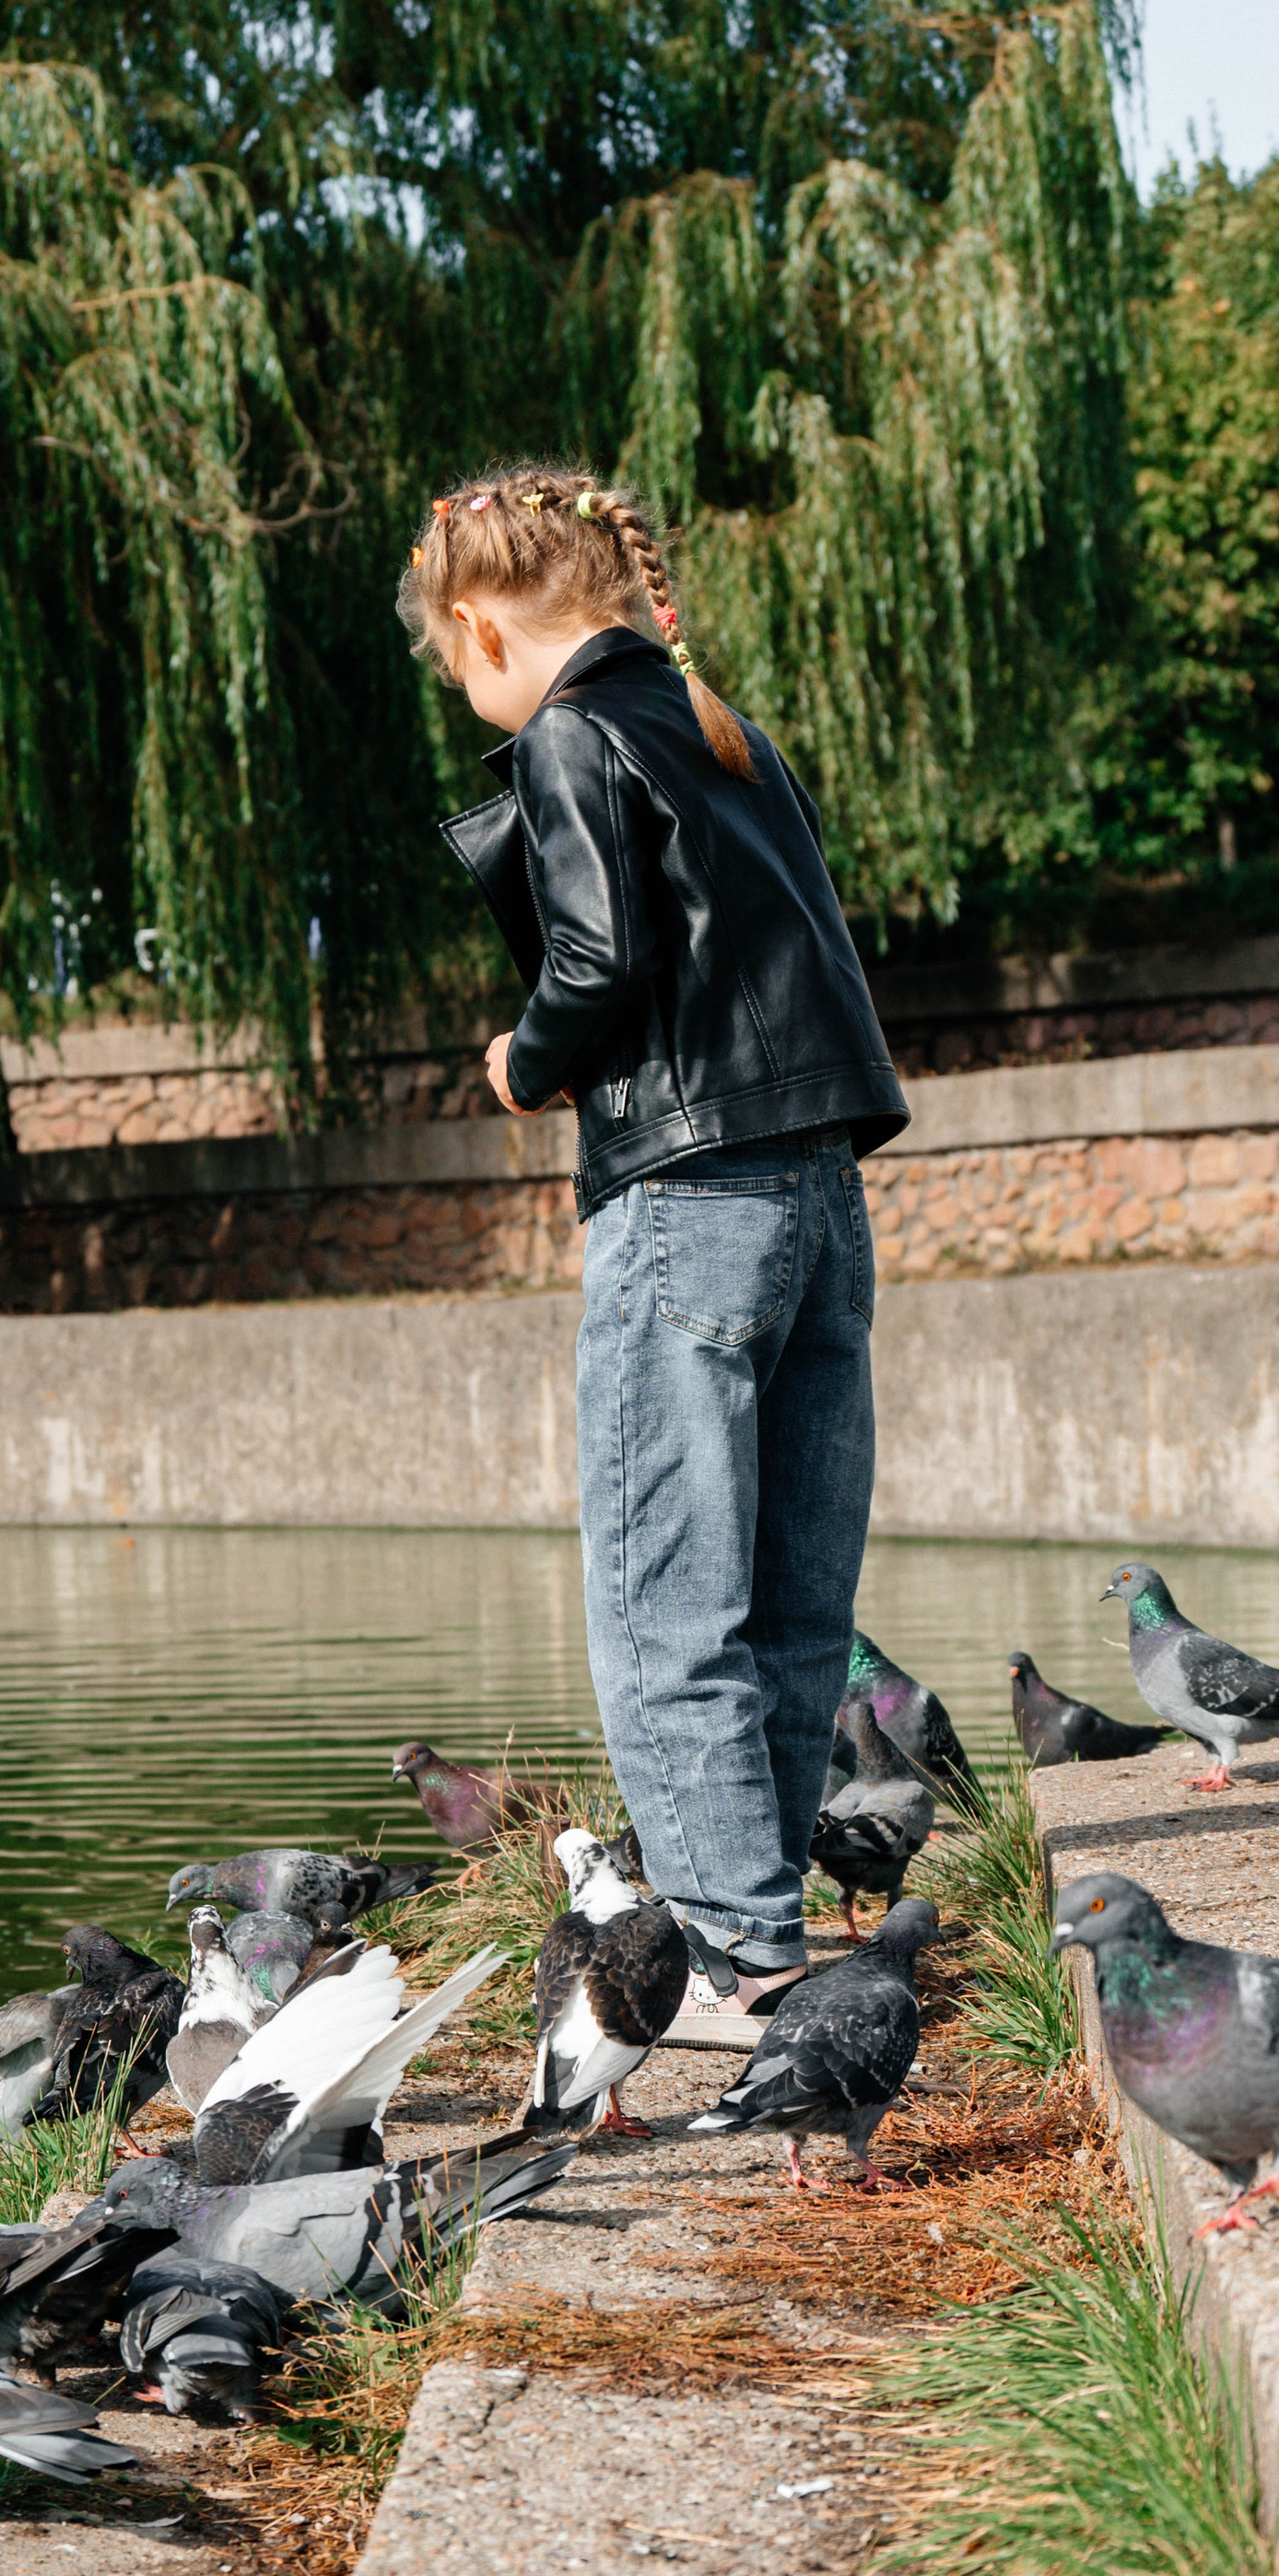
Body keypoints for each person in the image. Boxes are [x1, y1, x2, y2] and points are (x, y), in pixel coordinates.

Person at [402, 470, 907, 2014]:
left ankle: (732, 1950)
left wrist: (525, 1055)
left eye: (454, 667)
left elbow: (599, 956)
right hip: (820, 1197)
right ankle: (773, 1933)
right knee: (789, 1592)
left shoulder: (565, 733)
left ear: (481, 625)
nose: (466, 693)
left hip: (685, 1206)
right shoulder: (726, 731)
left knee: (662, 1600)